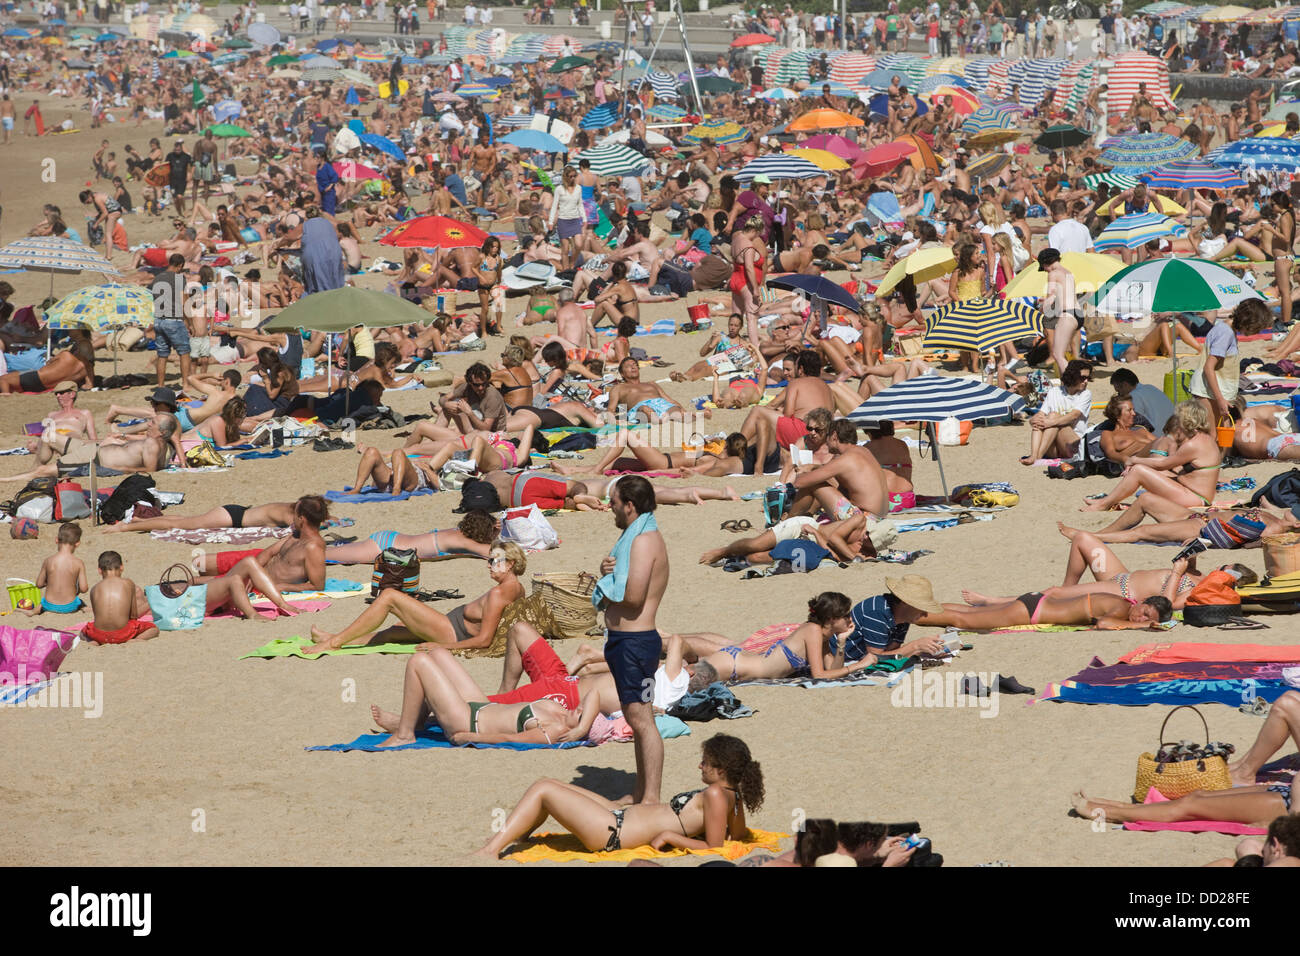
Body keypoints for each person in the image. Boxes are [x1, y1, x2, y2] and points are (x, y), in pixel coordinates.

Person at [477, 733, 764, 856]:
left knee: (543, 789)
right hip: (618, 818)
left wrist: (671, 837)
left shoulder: (716, 794)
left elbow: (716, 847)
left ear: (721, 768)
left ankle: (491, 850)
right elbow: (736, 837)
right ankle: (517, 836)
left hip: (614, 832)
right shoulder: (732, 797)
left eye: (706, 761)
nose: (700, 765)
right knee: (549, 783)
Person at [302, 540, 526, 652]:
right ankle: (335, 637)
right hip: (449, 626)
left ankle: (333, 643)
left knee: (389, 595)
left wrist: (441, 647)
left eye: (493, 561)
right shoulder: (517, 587)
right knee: (393, 632)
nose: (489, 566)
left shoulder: (498, 594)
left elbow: (484, 640)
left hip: (450, 634)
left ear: (511, 563)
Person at [595, 475, 669, 805]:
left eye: (613, 503)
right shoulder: (635, 537)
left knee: (642, 719)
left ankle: (650, 799)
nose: (610, 509)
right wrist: (606, 572)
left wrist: (605, 586)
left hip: (636, 643)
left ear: (630, 505)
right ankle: (642, 794)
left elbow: (634, 596)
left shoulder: (643, 541)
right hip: (628, 642)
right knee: (637, 718)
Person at [367, 643, 599, 748]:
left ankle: (405, 734)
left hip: (469, 722)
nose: (577, 709)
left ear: (576, 730)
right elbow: (594, 695)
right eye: (582, 709)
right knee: (438, 653)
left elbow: (511, 740)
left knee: (418, 662)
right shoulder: (561, 712)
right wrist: (584, 720)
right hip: (480, 705)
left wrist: (469, 737)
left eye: (580, 716)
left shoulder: (554, 731)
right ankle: (414, 723)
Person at [681, 592, 880, 686]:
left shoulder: (822, 637)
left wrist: (843, 641)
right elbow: (819, 675)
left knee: (678, 681)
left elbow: (832, 670)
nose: (850, 619)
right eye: (845, 615)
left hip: (736, 665)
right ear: (831, 619)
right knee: (677, 685)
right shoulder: (812, 631)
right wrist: (857, 666)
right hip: (732, 664)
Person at [1081, 400, 1221, 512]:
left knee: (1139, 470)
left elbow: (1163, 464)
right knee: (1144, 468)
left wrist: (1134, 460)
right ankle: (1105, 501)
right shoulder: (1203, 438)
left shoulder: (1193, 445)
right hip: (1192, 491)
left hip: (1195, 498)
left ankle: (1103, 504)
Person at [918, 590, 1173, 631]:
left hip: (1036, 601)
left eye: (1146, 618)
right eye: (1146, 613)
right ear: (1141, 603)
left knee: (968, 613)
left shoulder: (1122, 603)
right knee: (964, 620)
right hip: (1033, 611)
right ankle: (913, 615)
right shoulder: (1120, 608)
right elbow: (1104, 625)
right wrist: (1141, 626)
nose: (1141, 617)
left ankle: (917, 606)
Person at [1189, 298, 1269, 423]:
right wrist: (1220, 399)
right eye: (1257, 328)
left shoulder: (1226, 330)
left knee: (1223, 430)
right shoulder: (1225, 333)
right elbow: (1208, 367)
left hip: (1214, 393)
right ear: (1249, 322)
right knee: (1215, 434)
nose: (1257, 332)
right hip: (1209, 393)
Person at [324, 510, 498, 565]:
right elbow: (495, 554)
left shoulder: (458, 531)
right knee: (323, 556)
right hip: (384, 548)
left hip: (390, 540)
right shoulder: (464, 541)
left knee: (329, 553)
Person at [1021, 358, 1093, 465]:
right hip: (1053, 446)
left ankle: (1037, 456)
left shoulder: (1085, 394)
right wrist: (1034, 420)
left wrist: (1050, 422)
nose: (1086, 381)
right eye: (1083, 377)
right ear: (1073, 376)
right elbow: (1041, 413)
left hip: (1073, 444)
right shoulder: (1054, 391)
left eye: (1088, 377)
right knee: (1044, 418)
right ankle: (1035, 455)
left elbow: (1074, 415)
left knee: (1053, 417)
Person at [82, 551, 159, 644]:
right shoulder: (128, 583)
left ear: (99, 570)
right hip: (122, 634)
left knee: (83, 632)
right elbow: (134, 616)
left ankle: (94, 641)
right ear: (122, 567)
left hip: (99, 635)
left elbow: (97, 616)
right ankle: (136, 640)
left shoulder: (94, 589)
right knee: (153, 629)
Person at [150, 253, 192, 388]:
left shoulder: (157, 278)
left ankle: (161, 385)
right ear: (180, 266)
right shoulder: (179, 278)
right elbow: (184, 300)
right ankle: (185, 383)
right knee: (184, 352)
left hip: (158, 319)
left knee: (162, 355)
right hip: (173, 320)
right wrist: (189, 322)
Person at [32, 523, 88, 615]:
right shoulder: (78, 563)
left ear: (56, 540)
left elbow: (39, 584)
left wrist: (49, 582)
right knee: (79, 602)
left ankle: (33, 611)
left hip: (48, 606)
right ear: (77, 543)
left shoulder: (48, 561)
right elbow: (84, 588)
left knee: (42, 603)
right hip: (70, 607)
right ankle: (85, 608)